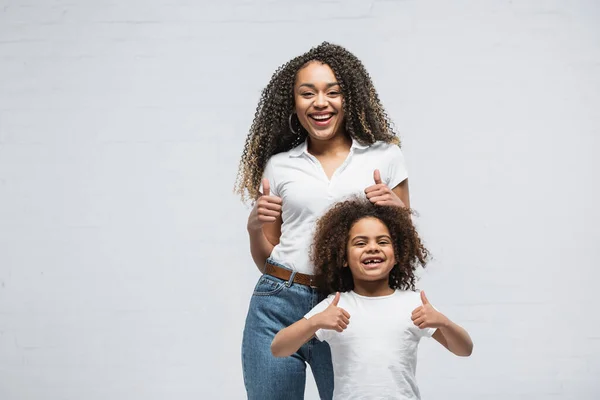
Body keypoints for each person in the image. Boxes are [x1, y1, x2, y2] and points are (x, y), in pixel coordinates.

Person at [235, 42, 412, 400]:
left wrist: (397, 214)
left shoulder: (386, 157)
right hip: (278, 304)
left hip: (346, 305)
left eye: (333, 92)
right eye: (308, 93)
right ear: (294, 103)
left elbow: (400, 250)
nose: (320, 102)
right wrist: (254, 228)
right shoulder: (280, 165)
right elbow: (265, 259)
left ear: (350, 98)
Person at [271, 198, 473, 399]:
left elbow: (465, 349)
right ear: (343, 258)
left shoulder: (413, 305)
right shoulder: (336, 306)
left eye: (382, 241)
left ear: (397, 255)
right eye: (360, 243)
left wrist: (444, 323)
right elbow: (279, 348)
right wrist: (315, 322)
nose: (372, 247)